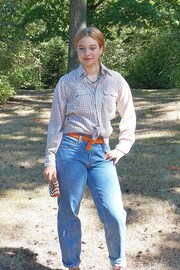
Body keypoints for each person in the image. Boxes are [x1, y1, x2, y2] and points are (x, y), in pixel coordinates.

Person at [43, 26, 136, 270]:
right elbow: (55, 124)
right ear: (76, 51)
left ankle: (117, 263)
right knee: (68, 212)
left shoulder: (115, 80)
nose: (87, 53)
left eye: (92, 48)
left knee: (114, 213)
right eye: (82, 48)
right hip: (70, 151)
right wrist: (50, 160)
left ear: (101, 49)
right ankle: (72, 265)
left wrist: (122, 146)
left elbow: (129, 115)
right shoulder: (67, 83)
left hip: (101, 153)